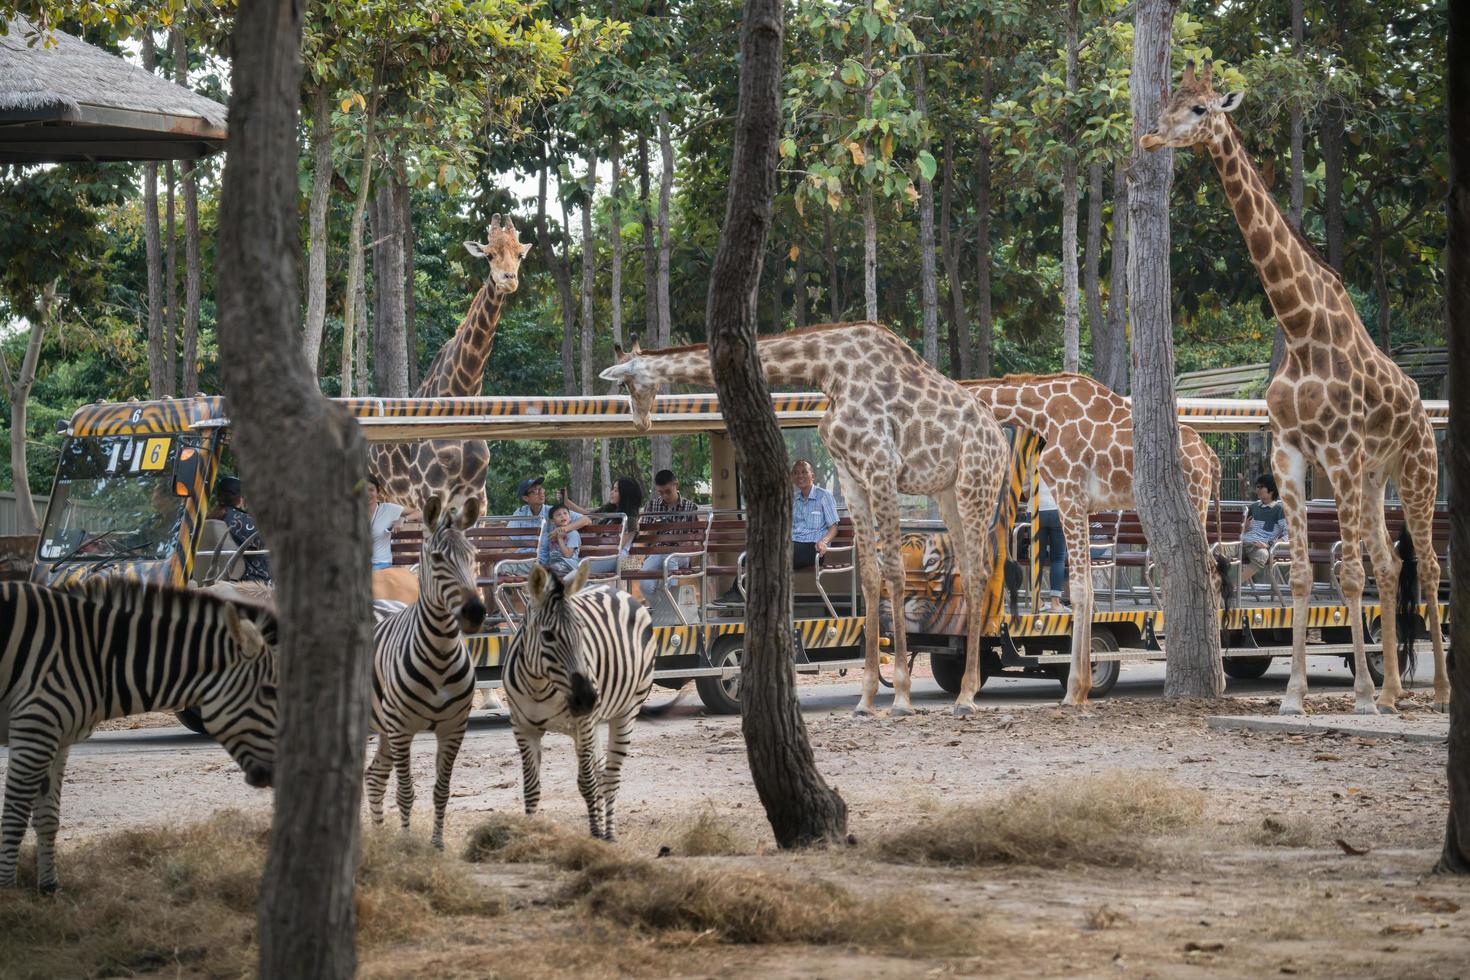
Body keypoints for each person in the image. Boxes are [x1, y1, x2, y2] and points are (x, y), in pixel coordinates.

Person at [637, 469, 700, 604]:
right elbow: (644, 539)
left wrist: (690, 544)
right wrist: (653, 529)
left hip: (680, 553)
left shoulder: (690, 507)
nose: (665, 495)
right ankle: (662, 607)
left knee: (670, 559)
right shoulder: (652, 506)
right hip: (657, 551)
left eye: (668, 491)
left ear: (676, 485)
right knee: (645, 580)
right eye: (661, 492)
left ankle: (671, 607)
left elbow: (696, 538)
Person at [565, 476, 644, 578]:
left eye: (616, 490)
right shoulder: (610, 512)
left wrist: (587, 548)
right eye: (612, 489)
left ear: (625, 495)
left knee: (575, 575)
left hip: (614, 557)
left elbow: (616, 547)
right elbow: (588, 514)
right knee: (565, 567)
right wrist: (566, 502)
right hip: (598, 555)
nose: (611, 492)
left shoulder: (630, 519)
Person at [213, 476, 270, 583]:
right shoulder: (241, 519)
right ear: (240, 498)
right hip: (257, 579)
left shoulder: (211, 516)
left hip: (221, 575)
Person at [1238, 473, 1287, 590]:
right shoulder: (1253, 507)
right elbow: (1243, 531)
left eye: (1261, 487)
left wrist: (1269, 545)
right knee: (1216, 550)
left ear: (1271, 490)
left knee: (1263, 554)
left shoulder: (1279, 510)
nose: (1257, 489)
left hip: (1258, 546)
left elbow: (1288, 535)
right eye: (1257, 486)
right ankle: (1216, 583)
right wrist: (1245, 526)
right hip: (1242, 543)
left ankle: (1232, 585)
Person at [1034, 476, 1067, 613]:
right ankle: (1055, 603)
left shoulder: (1031, 457)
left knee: (1037, 558)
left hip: (1036, 510)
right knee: (1058, 557)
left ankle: (1037, 601)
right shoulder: (1059, 454)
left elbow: (1025, 488)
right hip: (1057, 507)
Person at [367, 476, 405, 571]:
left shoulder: (388, 509)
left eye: (371, 490)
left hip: (381, 565)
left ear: (378, 491)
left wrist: (403, 519)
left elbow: (418, 512)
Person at [538, 502, 581, 580]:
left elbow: (568, 555)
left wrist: (560, 539)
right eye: (558, 515)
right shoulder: (553, 534)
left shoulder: (572, 534)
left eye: (565, 513)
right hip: (556, 565)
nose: (562, 516)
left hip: (568, 565)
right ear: (552, 521)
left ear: (570, 517)